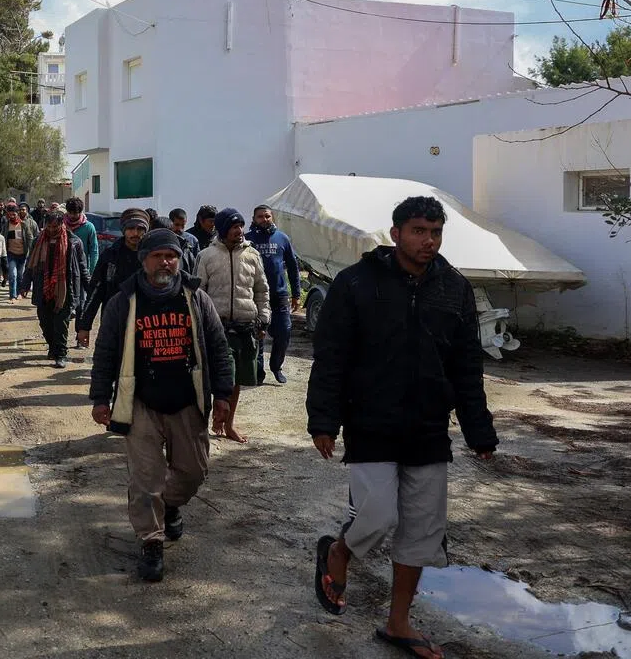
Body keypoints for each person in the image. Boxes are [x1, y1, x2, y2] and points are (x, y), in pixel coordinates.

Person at [307, 196, 498, 659]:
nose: (428, 241)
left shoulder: (454, 288)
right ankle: (339, 552)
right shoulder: (356, 283)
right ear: (395, 234)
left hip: (428, 428)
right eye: (418, 231)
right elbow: (331, 357)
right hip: (371, 422)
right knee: (376, 517)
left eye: (435, 232)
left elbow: (466, 365)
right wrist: (324, 419)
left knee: (422, 532)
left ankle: (398, 623)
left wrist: (478, 429)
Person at [89, 228, 233, 582]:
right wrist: (99, 397)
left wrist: (223, 395)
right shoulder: (124, 300)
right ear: (144, 261)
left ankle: (168, 506)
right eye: (158, 256)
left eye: (172, 256)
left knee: (194, 472)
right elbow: (105, 351)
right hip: (141, 402)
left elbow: (219, 348)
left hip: (187, 400)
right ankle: (151, 541)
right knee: (145, 478)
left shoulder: (196, 299)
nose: (166, 262)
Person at [196, 208, 270, 443]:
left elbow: (261, 290)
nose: (239, 230)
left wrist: (263, 319)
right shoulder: (206, 256)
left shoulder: (253, 255)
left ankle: (228, 424)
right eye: (233, 226)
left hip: (245, 327)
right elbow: (198, 293)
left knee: (236, 379)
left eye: (240, 226)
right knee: (217, 377)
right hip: (216, 327)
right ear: (222, 229)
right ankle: (208, 420)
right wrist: (199, 324)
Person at [23, 211, 90, 368]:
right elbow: (30, 265)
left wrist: (89, 287)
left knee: (61, 323)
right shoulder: (38, 241)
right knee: (45, 322)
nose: (52, 229)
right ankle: (53, 347)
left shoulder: (74, 242)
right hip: (43, 287)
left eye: (55, 226)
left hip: (64, 289)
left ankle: (61, 354)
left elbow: (82, 266)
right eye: (49, 226)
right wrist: (25, 284)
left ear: (62, 224)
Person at [76, 208, 149, 347]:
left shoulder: (152, 257)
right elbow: (95, 292)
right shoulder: (111, 256)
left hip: (146, 323)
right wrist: (84, 326)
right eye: (131, 228)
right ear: (123, 230)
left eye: (140, 229)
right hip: (115, 320)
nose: (135, 233)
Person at [245, 205, 301, 385]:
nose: (265, 219)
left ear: (272, 217)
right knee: (258, 334)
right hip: (256, 295)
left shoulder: (282, 238)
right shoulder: (247, 239)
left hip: (279, 294)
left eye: (267, 216)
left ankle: (276, 367)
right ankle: (258, 372)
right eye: (260, 217)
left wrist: (296, 294)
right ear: (254, 219)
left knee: (284, 331)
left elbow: (293, 267)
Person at [2, 205, 34, 302]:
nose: (12, 216)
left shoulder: (24, 225)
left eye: (14, 214)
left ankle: (19, 293)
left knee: (20, 276)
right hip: (11, 254)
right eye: (10, 214)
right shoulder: (6, 225)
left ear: (17, 214)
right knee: (12, 275)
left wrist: (31, 252)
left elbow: (30, 238)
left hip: (22, 254)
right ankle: (12, 295)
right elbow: (2, 238)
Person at [65, 197, 100, 275]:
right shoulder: (62, 225)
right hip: (64, 269)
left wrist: (92, 272)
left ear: (80, 212)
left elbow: (94, 251)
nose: (72, 216)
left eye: (75, 213)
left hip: (82, 270)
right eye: (70, 213)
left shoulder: (88, 227)